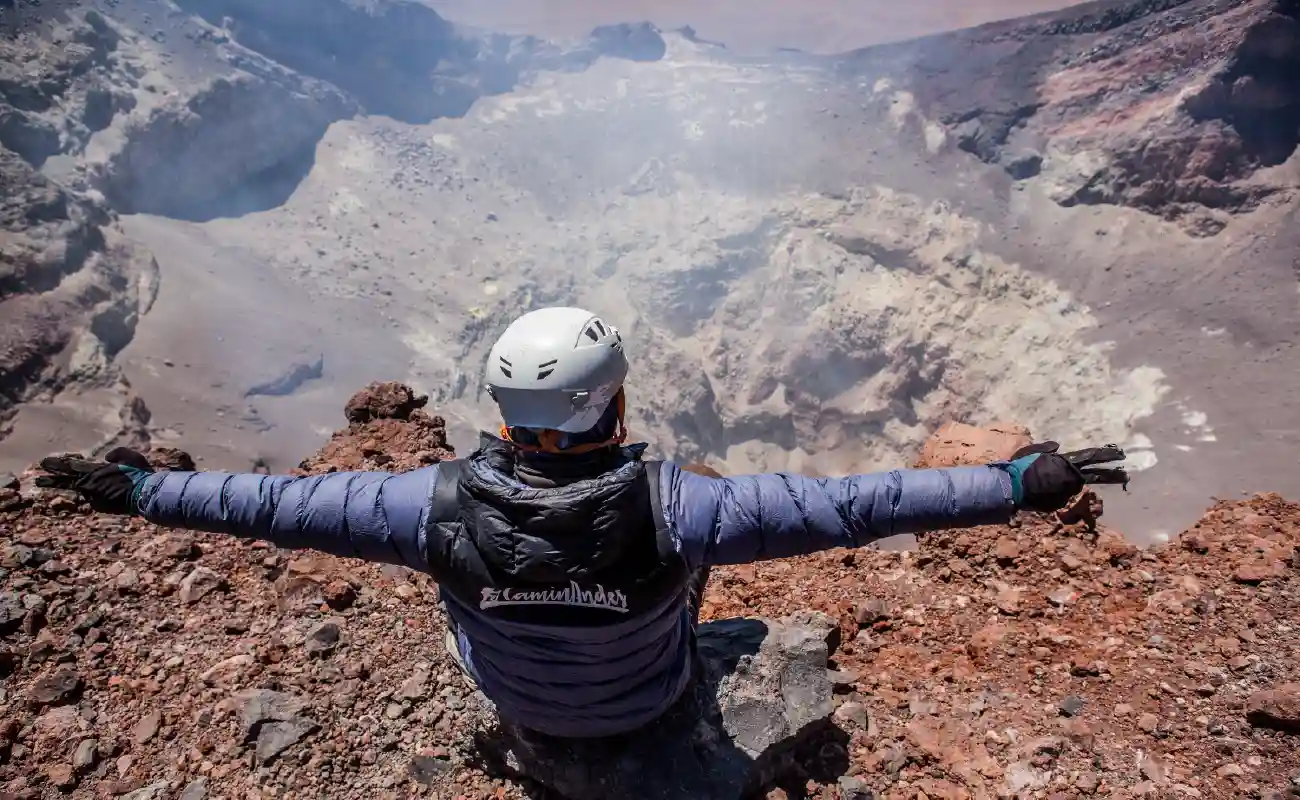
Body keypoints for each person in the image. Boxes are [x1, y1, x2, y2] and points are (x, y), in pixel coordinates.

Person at [38, 306, 1128, 740]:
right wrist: (1014, 483)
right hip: (649, 698)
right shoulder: (687, 504)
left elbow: (267, 506)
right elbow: (858, 506)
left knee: (446, 576)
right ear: (613, 404)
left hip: (513, 699)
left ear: (504, 408)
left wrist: (139, 493)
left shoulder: (420, 504)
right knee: (697, 572)